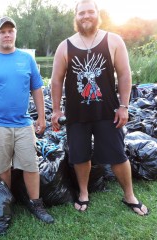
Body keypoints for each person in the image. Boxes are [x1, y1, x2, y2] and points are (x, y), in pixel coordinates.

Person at [50, 0, 149, 216]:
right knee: (80, 156)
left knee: (117, 154)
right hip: (77, 114)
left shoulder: (113, 40)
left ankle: (129, 195)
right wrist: (56, 110)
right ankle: (84, 193)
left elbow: (124, 74)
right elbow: (56, 80)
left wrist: (124, 106)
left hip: (108, 112)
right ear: (76, 17)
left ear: (98, 14)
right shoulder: (65, 46)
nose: (86, 16)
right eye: (81, 13)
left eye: (90, 12)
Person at [0, 16, 54, 224]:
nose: (7, 34)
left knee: (31, 165)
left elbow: (37, 89)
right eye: (2, 31)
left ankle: (36, 203)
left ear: (15, 33)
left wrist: (42, 117)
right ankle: (6, 203)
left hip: (23, 124)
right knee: (1, 168)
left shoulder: (26, 59)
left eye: (10, 31)